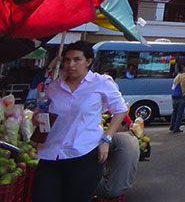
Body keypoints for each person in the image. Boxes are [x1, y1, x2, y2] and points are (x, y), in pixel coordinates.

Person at [32, 40, 128, 202]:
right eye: (67, 60)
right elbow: (41, 112)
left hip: (84, 154)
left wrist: (107, 138)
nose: (71, 64)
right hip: (50, 154)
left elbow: (120, 110)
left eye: (77, 59)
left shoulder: (101, 83)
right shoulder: (54, 87)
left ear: (88, 62)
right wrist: (36, 118)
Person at [94, 115, 139, 199]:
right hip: (126, 186)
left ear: (125, 125)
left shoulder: (116, 138)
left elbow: (96, 155)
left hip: (108, 188)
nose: (111, 126)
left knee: (79, 177)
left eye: (114, 123)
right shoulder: (133, 138)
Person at [170, 65, 185, 133]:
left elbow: (173, 87)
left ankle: (171, 126)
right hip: (182, 97)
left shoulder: (177, 76)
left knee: (174, 111)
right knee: (180, 113)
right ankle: (176, 128)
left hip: (174, 96)